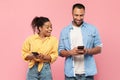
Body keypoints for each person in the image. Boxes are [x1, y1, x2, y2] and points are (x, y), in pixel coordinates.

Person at [58, 3, 102, 80]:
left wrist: (87, 51)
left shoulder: (92, 29)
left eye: (81, 15)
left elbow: (99, 48)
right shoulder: (64, 31)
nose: (78, 18)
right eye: (76, 15)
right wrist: (70, 52)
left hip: (87, 74)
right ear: (72, 14)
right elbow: (60, 51)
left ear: (84, 14)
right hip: (70, 74)